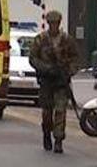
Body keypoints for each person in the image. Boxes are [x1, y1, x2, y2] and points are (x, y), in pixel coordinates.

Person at [28, 10, 79, 154]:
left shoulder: (67, 40)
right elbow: (33, 58)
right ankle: (46, 133)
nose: (54, 26)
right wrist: (46, 68)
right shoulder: (41, 39)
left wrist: (69, 72)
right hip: (46, 81)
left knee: (61, 111)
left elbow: (75, 59)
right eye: (51, 23)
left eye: (56, 23)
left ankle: (58, 140)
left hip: (61, 82)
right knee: (46, 112)